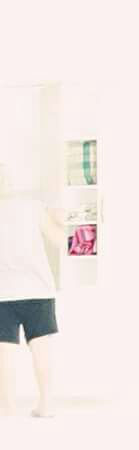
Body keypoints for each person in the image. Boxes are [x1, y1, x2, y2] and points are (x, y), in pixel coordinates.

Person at [0, 163, 64, 418]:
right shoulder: (33, 208)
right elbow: (60, 241)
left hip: (3, 292)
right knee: (40, 346)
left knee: (4, 350)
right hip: (38, 289)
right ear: (8, 182)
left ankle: (7, 406)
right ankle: (46, 404)